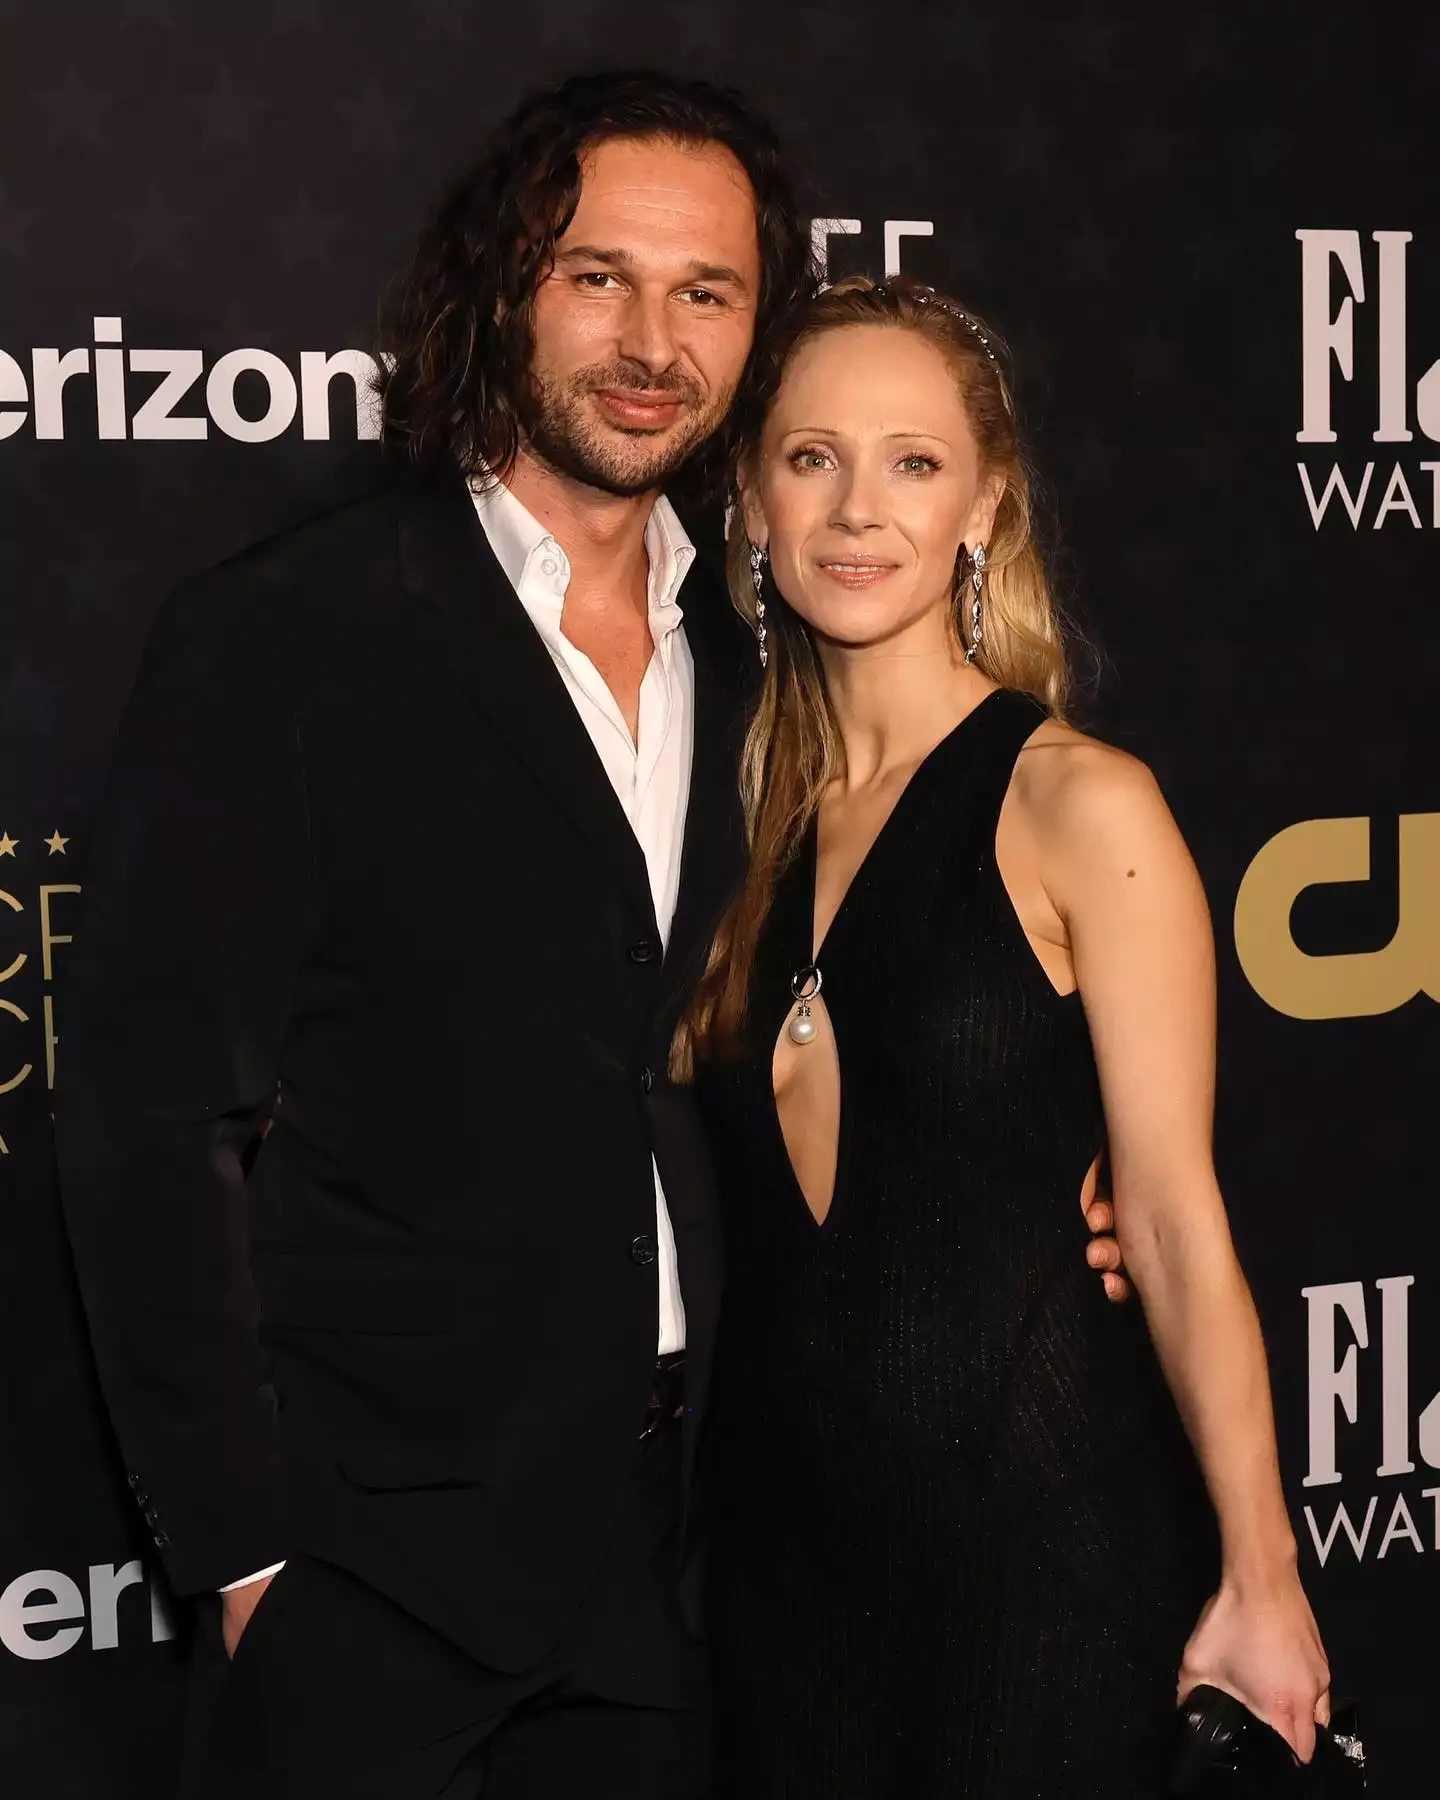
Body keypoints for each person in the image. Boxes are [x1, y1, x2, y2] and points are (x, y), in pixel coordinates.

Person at [53, 72, 1122, 1800]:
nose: (651, 343)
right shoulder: (293, 638)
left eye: (707, 293)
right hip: (369, 1579)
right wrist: (243, 1562)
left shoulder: (778, 669)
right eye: (598, 276)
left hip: (685, 1568)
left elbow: (877, 1009)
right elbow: (147, 1123)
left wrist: (1067, 1178)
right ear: (503, 287)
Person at [678, 276, 1331, 1799]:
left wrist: (1262, 1574)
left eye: (913, 462)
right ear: (753, 501)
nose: (858, 508)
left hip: (1043, 1560)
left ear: (984, 509)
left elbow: (1170, 1219)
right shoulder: (735, 831)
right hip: (782, 1579)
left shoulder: (1077, 802)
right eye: (811, 457)